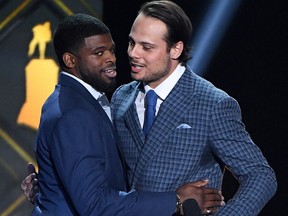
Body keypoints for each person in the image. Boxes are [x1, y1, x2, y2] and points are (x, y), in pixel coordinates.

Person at [23, 13, 223, 216]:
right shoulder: (74, 113)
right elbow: (94, 204)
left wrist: (50, 187)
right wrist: (176, 199)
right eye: (99, 53)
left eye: (111, 50)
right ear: (70, 60)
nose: (111, 58)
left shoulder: (76, 99)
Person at [110, 0, 277, 215]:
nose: (133, 53)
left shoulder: (212, 104)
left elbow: (260, 175)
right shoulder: (121, 98)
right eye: (132, 43)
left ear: (176, 49)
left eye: (147, 47)